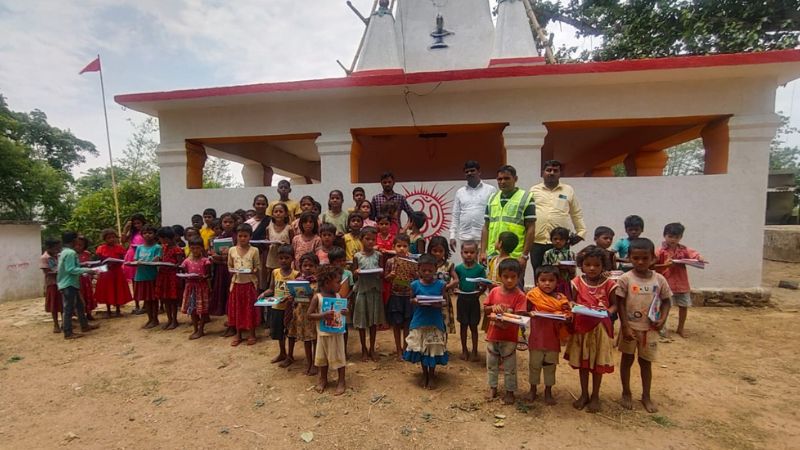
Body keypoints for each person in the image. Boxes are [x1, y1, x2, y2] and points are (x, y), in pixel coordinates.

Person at [617, 237, 673, 413]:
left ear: (653, 259)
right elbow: (619, 303)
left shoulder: (659, 280)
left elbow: (666, 301)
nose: (640, 262)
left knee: (645, 363)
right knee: (627, 360)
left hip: (650, 330)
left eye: (645, 258)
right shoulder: (625, 279)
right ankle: (626, 392)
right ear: (629, 258)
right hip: (630, 328)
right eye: (635, 258)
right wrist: (625, 326)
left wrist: (662, 319)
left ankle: (646, 396)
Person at [565, 245, 617, 413]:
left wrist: (608, 312)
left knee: (597, 362)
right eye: (588, 265)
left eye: (596, 265)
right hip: (582, 329)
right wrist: (573, 306)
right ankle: (584, 394)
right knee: (583, 363)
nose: (592, 268)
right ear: (581, 265)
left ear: (603, 265)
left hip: (600, 329)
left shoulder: (609, 284)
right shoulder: (576, 283)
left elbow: (615, 304)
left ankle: (595, 395)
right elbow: (571, 301)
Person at [483, 258, 528, 404]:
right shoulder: (495, 291)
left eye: (513, 277)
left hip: (509, 336)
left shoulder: (520, 295)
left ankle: (510, 391)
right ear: (499, 276)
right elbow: (486, 308)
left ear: (518, 277)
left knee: (509, 366)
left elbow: (520, 316)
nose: (509, 280)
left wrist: (508, 311)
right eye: (505, 277)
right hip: (493, 334)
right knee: (491, 363)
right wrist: (493, 307)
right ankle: (492, 387)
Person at [529, 160, 587, 271]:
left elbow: (576, 213)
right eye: (548, 170)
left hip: (560, 242)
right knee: (539, 273)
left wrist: (581, 233)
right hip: (537, 241)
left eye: (555, 170)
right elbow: (527, 214)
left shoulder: (568, 190)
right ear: (543, 173)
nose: (551, 173)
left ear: (560, 173)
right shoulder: (534, 190)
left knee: (562, 274)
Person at [525, 265, 571, 405]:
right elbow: (524, 312)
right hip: (537, 338)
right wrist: (530, 313)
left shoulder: (561, 298)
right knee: (534, 365)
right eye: (543, 280)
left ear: (557, 282)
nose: (547, 283)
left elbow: (568, 314)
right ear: (537, 281)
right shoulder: (533, 296)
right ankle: (532, 389)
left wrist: (566, 317)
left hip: (553, 339)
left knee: (550, 365)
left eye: (551, 280)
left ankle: (548, 391)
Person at [404, 254, 449, 389]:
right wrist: (415, 301)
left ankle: (432, 374)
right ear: (419, 270)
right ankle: (424, 374)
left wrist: (439, 304)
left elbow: (446, 301)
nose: (427, 273)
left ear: (436, 269)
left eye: (430, 270)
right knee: (422, 349)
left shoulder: (441, 285)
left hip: (434, 321)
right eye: (424, 271)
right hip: (420, 321)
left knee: (432, 348)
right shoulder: (414, 284)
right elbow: (410, 299)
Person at [480, 165, 536, 273]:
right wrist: (483, 251)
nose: (502, 182)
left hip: (515, 255)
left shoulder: (526, 198)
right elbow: (486, 227)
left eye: (506, 178)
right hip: (494, 254)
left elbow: (531, 229)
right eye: (499, 179)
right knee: (495, 286)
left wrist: (524, 256)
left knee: (514, 287)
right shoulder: (492, 198)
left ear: (515, 179)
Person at [655, 223, 703, 338]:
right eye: (670, 236)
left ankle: (680, 328)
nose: (673, 239)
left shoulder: (683, 249)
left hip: (682, 283)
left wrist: (699, 258)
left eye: (676, 237)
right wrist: (666, 265)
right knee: (664, 306)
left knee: (683, 306)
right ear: (664, 235)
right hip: (666, 283)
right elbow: (654, 264)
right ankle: (662, 328)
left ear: (680, 237)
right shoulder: (660, 251)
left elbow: (694, 254)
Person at [308, 264, 348, 395]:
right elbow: (309, 315)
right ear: (326, 282)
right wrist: (322, 316)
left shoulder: (339, 297)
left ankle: (341, 381)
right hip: (323, 334)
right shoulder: (317, 297)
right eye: (337, 282)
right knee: (322, 359)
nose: (340, 285)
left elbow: (346, 313)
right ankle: (323, 379)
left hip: (337, 334)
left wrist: (346, 311)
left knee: (339, 357)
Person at [258, 245, 298, 365]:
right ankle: (282, 352)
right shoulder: (275, 272)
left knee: (290, 332)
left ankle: (290, 355)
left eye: (287, 258)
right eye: (281, 258)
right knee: (279, 332)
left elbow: (298, 292)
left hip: (290, 308)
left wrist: (290, 298)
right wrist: (263, 294)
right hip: (277, 307)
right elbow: (271, 289)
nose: (284, 260)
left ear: (292, 259)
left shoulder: (296, 274)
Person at [56, 232, 100, 339]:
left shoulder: (64, 252)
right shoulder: (71, 253)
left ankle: (84, 325)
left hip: (69, 282)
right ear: (73, 240)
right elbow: (71, 269)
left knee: (80, 305)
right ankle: (68, 332)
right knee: (69, 308)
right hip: (69, 283)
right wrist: (87, 270)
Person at [352, 226, 385, 361]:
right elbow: (354, 276)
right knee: (362, 322)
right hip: (362, 291)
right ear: (361, 240)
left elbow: (382, 273)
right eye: (367, 239)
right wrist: (356, 272)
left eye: (373, 239)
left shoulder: (379, 255)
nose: (370, 242)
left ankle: (372, 348)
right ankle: (363, 348)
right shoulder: (357, 256)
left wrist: (380, 272)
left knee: (373, 322)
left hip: (375, 291)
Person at [449, 160, 497, 252]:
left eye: (472, 170)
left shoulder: (490, 190)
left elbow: (495, 213)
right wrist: (452, 236)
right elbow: (455, 215)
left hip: (484, 236)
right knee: (468, 265)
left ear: (479, 172)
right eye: (467, 172)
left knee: (483, 265)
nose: (469, 173)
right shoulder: (460, 192)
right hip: (465, 237)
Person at [385, 234, 418, 360]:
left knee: (407, 323)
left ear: (409, 247)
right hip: (396, 296)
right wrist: (391, 275)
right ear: (394, 247)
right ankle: (398, 349)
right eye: (399, 246)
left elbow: (417, 279)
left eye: (405, 246)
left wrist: (414, 274)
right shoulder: (390, 261)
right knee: (396, 324)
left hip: (408, 296)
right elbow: (386, 278)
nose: (402, 249)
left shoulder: (413, 262)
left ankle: (406, 348)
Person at [227, 223, 261, 346]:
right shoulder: (232, 250)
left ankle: (252, 333)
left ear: (250, 237)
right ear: (236, 236)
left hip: (249, 284)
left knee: (249, 308)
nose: (242, 238)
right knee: (237, 309)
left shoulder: (254, 250)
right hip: (236, 284)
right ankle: (238, 334)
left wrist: (252, 271)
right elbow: (229, 266)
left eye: (245, 236)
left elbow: (257, 267)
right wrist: (233, 271)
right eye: (240, 236)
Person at [286, 252, 319, 376]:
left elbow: (321, 297)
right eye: (305, 265)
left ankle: (316, 363)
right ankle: (309, 363)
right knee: (306, 339)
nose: (308, 268)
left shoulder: (319, 282)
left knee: (315, 339)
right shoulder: (297, 282)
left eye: (311, 265)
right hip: (301, 313)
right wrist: (291, 297)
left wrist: (313, 296)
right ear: (300, 267)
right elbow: (295, 297)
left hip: (314, 314)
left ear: (316, 267)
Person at [454, 241, 486, 362]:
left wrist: (480, 291)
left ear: (477, 253)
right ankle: (464, 350)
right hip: (462, 300)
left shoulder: (480, 269)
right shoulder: (458, 269)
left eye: (472, 252)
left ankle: (475, 350)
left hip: (474, 301)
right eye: (466, 252)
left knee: (473, 327)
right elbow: (455, 283)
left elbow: (484, 285)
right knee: (463, 326)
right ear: (461, 253)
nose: (469, 255)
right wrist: (455, 290)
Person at [94, 229, 131, 317]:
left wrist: (116, 262)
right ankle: (108, 310)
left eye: (113, 237)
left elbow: (123, 259)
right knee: (107, 290)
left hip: (117, 271)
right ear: (104, 239)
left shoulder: (119, 247)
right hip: (106, 272)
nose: (111, 239)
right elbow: (100, 260)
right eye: (109, 238)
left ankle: (118, 309)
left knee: (117, 289)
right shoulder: (101, 248)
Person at [209, 213, 235, 332]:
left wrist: (227, 257)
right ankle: (229, 320)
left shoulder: (237, 237)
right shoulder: (218, 239)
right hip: (221, 271)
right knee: (224, 294)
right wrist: (217, 257)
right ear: (221, 224)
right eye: (225, 222)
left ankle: (234, 323)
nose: (228, 224)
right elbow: (214, 256)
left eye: (230, 222)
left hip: (233, 272)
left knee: (232, 295)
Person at [181, 238, 211, 339]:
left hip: (201, 287)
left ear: (202, 248)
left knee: (202, 309)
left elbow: (209, 274)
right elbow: (184, 273)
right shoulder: (186, 261)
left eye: (197, 248)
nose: (195, 250)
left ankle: (201, 329)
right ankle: (195, 329)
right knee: (192, 309)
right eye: (192, 248)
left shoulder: (205, 261)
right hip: (190, 287)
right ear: (189, 248)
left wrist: (203, 277)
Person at [133, 225, 162, 329]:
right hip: (141, 276)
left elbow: (157, 260)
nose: (147, 235)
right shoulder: (139, 247)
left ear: (155, 235)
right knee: (146, 300)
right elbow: (135, 260)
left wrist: (153, 261)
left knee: (153, 299)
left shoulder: (158, 247)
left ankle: (155, 319)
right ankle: (149, 319)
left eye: (150, 233)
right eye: (145, 233)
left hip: (152, 276)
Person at [155, 226, 184, 330]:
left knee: (172, 300)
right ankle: (169, 319)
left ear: (167, 238)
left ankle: (174, 320)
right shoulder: (164, 248)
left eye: (162, 239)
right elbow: (162, 258)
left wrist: (171, 265)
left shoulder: (177, 249)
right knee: (165, 298)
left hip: (172, 277)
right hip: (163, 276)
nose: (161, 241)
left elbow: (180, 264)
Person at [429, 236, 459, 334]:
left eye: (441, 251)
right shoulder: (426, 264)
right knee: (430, 323)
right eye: (434, 250)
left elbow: (456, 280)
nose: (437, 253)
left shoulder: (448, 265)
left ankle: (443, 347)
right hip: (429, 298)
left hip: (443, 299)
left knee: (443, 323)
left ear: (445, 252)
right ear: (429, 250)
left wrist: (446, 287)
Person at [122, 213, 147, 314]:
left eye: (138, 223)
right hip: (132, 255)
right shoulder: (132, 233)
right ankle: (137, 305)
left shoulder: (146, 232)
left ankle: (145, 304)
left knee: (144, 280)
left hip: (143, 255)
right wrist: (126, 229)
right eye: (135, 223)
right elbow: (123, 241)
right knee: (134, 281)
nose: (137, 225)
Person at [541, 227, 576, 297]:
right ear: (551, 239)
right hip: (551, 281)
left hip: (565, 281)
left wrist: (568, 267)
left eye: (561, 239)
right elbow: (544, 268)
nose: (558, 241)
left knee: (565, 298)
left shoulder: (570, 253)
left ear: (566, 241)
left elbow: (573, 269)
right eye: (555, 239)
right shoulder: (547, 253)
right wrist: (554, 266)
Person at [40, 238, 62, 333]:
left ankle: (64, 322)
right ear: (49, 247)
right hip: (52, 283)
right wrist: (60, 272)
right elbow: (47, 272)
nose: (57, 249)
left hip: (61, 282)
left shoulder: (59, 256)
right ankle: (56, 324)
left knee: (62, 303)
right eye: (55, 247)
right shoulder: (45, 258)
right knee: (54, 305)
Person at [74, 236, 97, 321]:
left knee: (88, 294)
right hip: (77, 278)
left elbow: (90, 263)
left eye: (81, 245)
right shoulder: (72, 254)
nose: (78, 247)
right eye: (77, 245)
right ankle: (80, 315)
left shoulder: (87, 253)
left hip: (86, 278)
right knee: (80, 296)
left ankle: (89, 313)